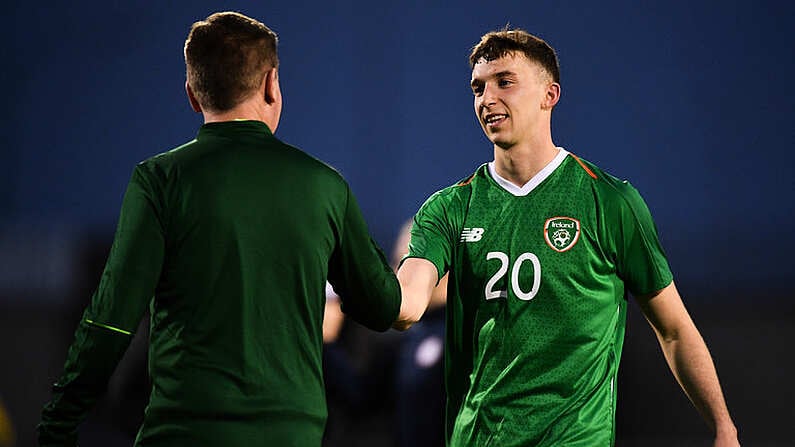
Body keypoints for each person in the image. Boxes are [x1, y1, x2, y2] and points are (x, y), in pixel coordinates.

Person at [38, 11, 401, 447]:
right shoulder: (325, 187)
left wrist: (59, 424)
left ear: (192, 94)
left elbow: (111, 321)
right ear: (271, 83)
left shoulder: (159, 181)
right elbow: (383, 306)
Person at [394, 28, 740, 446]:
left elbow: (674, 329)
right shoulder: (448, 208)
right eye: (478, 88)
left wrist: (724, 427)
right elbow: (407, 304)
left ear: (549, 95)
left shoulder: (609, 201)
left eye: (505, 82)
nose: (487, 99)